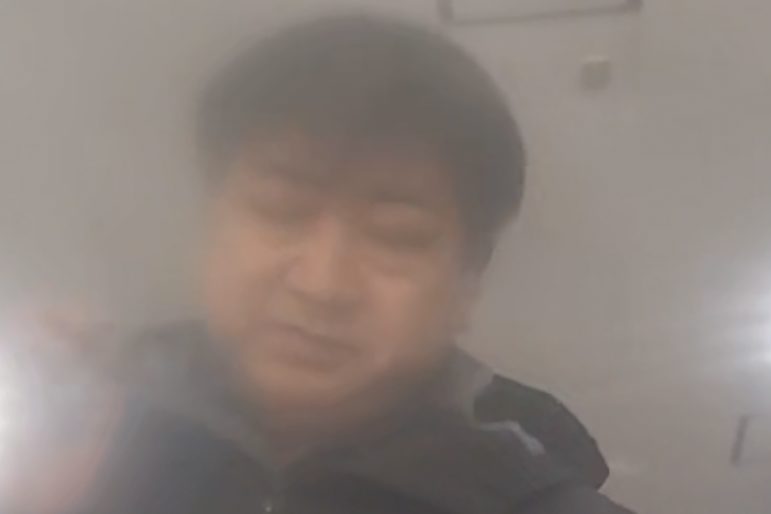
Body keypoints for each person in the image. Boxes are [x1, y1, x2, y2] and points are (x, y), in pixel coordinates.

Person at [4, 14, 634, 514]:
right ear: (211, 223)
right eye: (280, 209)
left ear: (467, 283)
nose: (323, 284)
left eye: (396, 237)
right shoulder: (76, 435)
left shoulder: (537, 498)